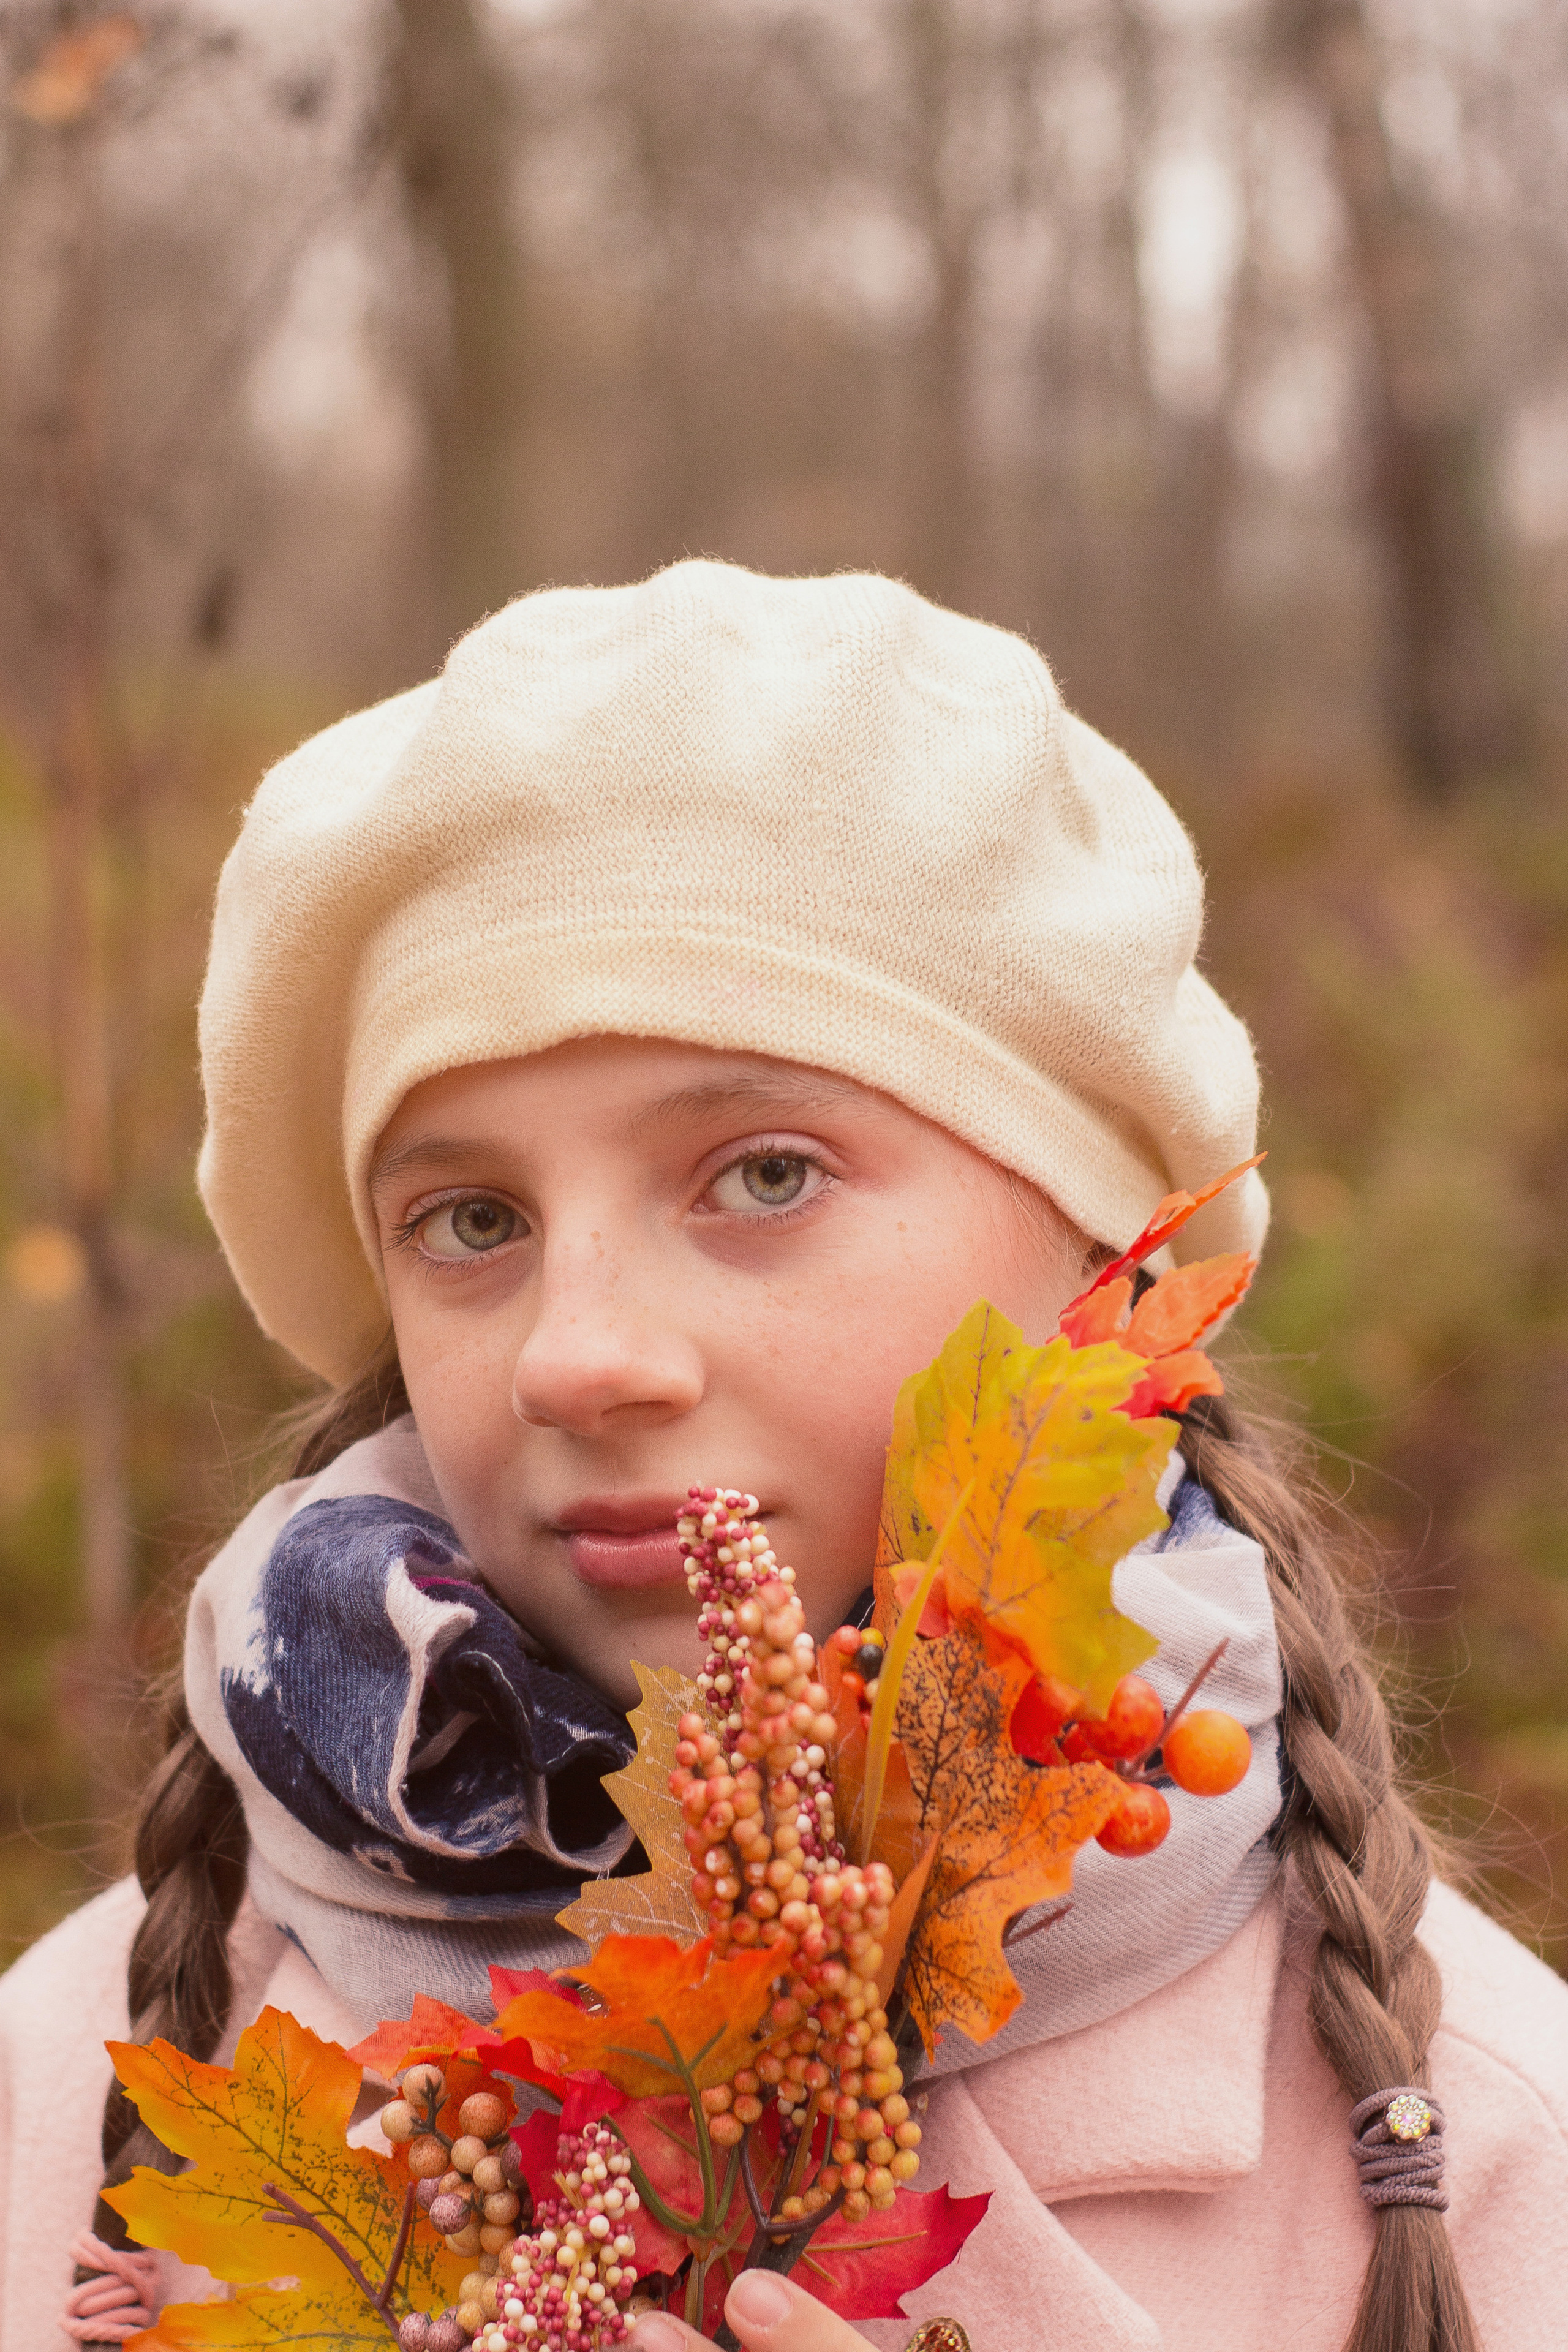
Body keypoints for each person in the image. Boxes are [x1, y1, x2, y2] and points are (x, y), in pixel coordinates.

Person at [4, 562, 1562, 2352]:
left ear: (1101, 1250)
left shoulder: (1476, 2145)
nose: (580, 1353)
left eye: (763, 1175)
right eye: (468, 1217)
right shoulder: (85, 2092)